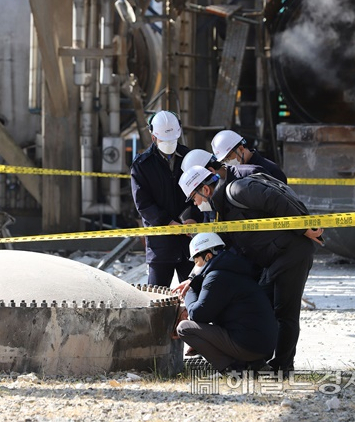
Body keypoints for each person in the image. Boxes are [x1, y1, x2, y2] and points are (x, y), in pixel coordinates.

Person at [178, 165, 324, 376]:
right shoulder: (222, 212)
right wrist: (194, 278)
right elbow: (216, 255)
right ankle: (257, 361)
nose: (195, 204)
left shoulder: (237, 190)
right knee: (265, 305)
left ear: (205, 190)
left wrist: (304, 227)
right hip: (273, 258)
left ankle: (283, 367)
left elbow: (275, 198)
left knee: (285, 312)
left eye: (194, 198)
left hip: (292, 253)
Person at [175, 233, 277, 373]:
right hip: (262, 346)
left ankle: (231, 370)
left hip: (249, 346)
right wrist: (196, 282)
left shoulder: (216, 277)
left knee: (184, 328)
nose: (194, 268)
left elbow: (197, 314)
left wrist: (190, 290)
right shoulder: (231, 270)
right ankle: (253, 364)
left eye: (196, 261)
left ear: (208, 256)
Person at [130, 111, 203, 287]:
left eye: (173, 140)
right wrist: (170, 224)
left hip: (190, 241)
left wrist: (193, 217)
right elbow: (144, 205)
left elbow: (203, 191)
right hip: (161, 244)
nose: (169, 144)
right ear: (154, 137)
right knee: (156, 295)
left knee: (194, 292)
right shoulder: (142, 165)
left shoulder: (190, 158)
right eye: (164, 140)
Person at [211, 130, 288, 184]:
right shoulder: (231, 176)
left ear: (241, 148)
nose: (227, 162)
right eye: (224, 160)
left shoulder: (272, 170)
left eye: (228, 157)